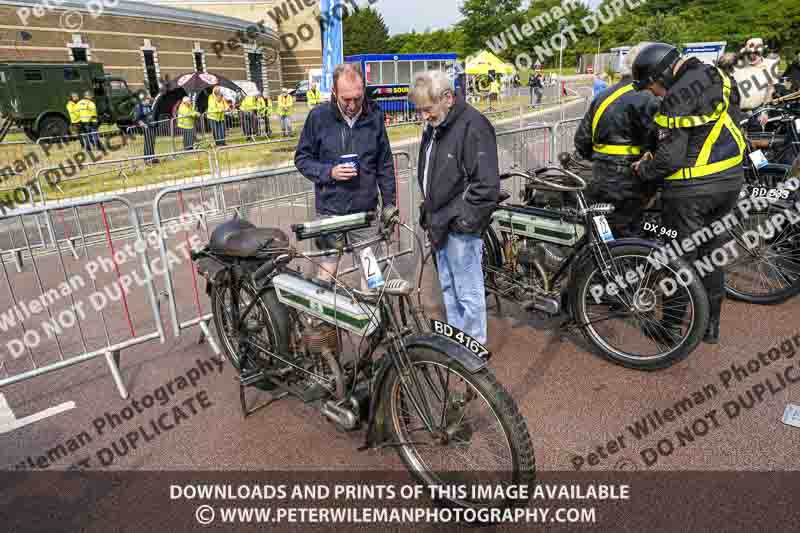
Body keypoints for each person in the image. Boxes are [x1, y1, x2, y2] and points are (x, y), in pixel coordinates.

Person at [632, 42, 746, 345]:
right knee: (711, 254)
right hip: (730, 180)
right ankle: (709, 327)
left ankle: (670, 327)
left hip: (691, 189)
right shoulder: (719, 77)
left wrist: (643, 170)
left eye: (652, 86)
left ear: (664, 74)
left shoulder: (676, 98)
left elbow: (670, 159)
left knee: (679, 259)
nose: (654, 94)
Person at [411, 70, 499, 346]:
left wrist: (464, 223)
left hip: (458, 226)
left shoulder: (473, 125)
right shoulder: (438, 124)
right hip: (439, 221)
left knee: (468, 292)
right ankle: (459, 341)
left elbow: (486, 185)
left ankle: (473, 348)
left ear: (447, 98)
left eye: (428, 109)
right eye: (421, 110)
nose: (424, 116)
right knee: (449, 287)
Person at [295, 62, 396, 291]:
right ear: (334, 93)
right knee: (328, 267)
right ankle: (322, 322)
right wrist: (328, 172)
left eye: (357, 99)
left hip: (365, 212)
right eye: (346, 99)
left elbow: (385, 163)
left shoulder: (375, 115)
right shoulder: (318, 117)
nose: (352, 105)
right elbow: (302, 159)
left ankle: (371, 321)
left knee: (371, 274)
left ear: (363, 91)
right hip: (331, 211)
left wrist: (390, 204)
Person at [573, 42, 660, 237]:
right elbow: (660, 144)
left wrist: (602, 158)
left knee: (603, 234)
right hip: (632, 179)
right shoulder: (650, 97)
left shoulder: (602, 96)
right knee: (629, 234)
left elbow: (581, 141)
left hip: (599, 175)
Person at [134, 94, 158, 163]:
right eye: (147, 100)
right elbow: (137, 118)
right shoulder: (139, 107)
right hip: (146, 127)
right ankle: (147, 158)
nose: (148, 101)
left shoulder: (149, 106)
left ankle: (152, 157)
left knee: (152, 142)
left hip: (152, 126)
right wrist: (144, 125)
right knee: (148, 142)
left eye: (148, 100)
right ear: (143, 100)